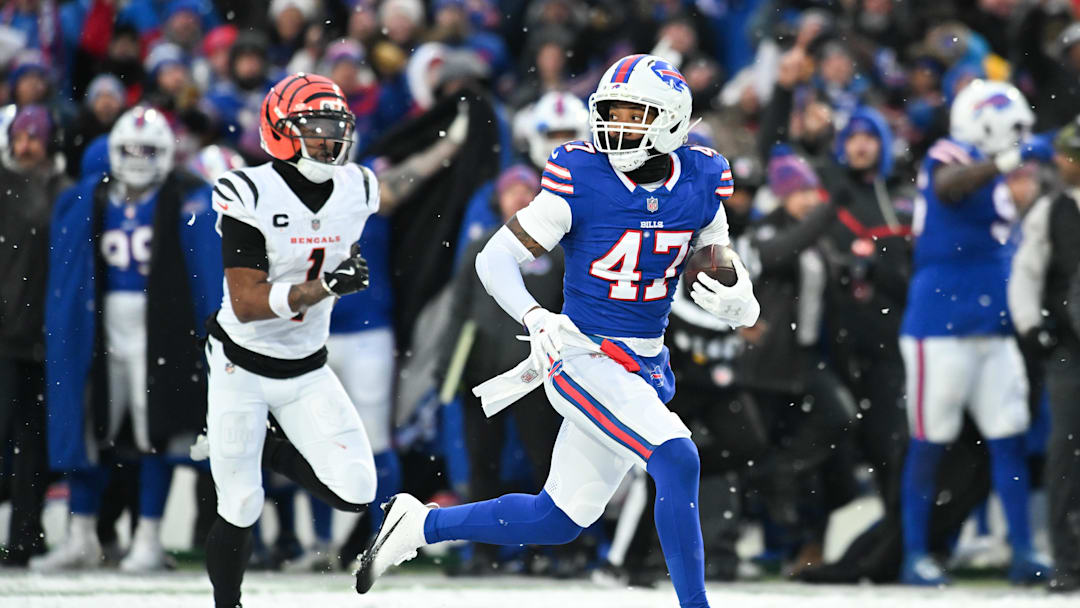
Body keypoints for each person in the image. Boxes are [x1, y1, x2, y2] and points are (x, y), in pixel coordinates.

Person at [356, 54, 760, 608]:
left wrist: (741, 294)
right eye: (611, 112)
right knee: (677, 456)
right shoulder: (582, 177)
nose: (616, 125)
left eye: (633, 114)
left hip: (645, 361)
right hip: (583, 356)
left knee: (559, 518)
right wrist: (534, 314)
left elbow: (714, 247)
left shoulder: (701, 176)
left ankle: (420, 525)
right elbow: (495, 258)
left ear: (671, 119)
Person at [203, 73, 380, 608]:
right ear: (280, 131)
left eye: (336, 127)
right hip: (240, 363)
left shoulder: (359, 187)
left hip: (306, 365)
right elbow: (246, 302)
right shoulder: (248, 191)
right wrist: (326, 286)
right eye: (317, 127)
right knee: (241, 502)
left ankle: (269, 448)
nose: (331, 139)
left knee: (357, 490)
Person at [35, 106, 221, 572]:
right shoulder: (91, 198)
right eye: (131, 150)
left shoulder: (186, 198)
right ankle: (81, 535)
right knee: (90, 428)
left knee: (154, 430)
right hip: (99, 324)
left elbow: (203, 272)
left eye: (148, 150)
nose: (138, 159)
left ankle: (148, 538)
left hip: (160, 327)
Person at [897, 79, 1052, 586]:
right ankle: (914, 554)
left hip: (994, 325)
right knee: (929, 441)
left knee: (1009, 438)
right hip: (940, 325)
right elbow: (950, 186)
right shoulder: (950, 154)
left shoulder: (1004, 172)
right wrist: (1010, 160)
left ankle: (1023, 550)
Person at [1008, 117, 1080, 593]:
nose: (1061, 161)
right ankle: (1068, 561)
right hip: (1070, 348)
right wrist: (1033, 328)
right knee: (1065, 452)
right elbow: (1026, 274)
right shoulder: (1051, 211)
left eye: (1070, 154)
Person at [0, 105, 70, 566]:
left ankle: (25, 535)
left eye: (34, 137)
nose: (26, 146)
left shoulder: (64, 189)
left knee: (35, 444)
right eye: (19, 136)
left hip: (46, 336)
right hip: (6, 334)